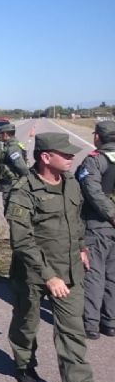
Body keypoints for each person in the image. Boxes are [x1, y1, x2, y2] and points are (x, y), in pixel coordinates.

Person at [6, 132, 115, 382]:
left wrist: (81, 247)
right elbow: (22, 241)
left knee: (72, 331)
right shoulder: (23, 191)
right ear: (46, 157)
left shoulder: (70, 184)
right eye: (65, 154)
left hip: (69, 269)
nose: (71, 158)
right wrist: (48, 276)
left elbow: (76, 220)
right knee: (26, 324)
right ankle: (23, 365)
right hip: (33, 273)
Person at [76, 120, 115, 340]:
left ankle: (91, 323)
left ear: (98, 137)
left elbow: (92, 191)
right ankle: (110, 322)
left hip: (98, 224)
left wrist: (111, 215)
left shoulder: (95, 160)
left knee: (94, 273)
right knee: (112, 274)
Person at [0, 123, 29, 209]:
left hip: (12, 183)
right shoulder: (14, 144)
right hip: (12, 182)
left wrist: (25, 177)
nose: (0, 136)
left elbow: (21, 166)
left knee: (9, 209)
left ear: (6, 134)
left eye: (1, 134)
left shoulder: (12, 148)